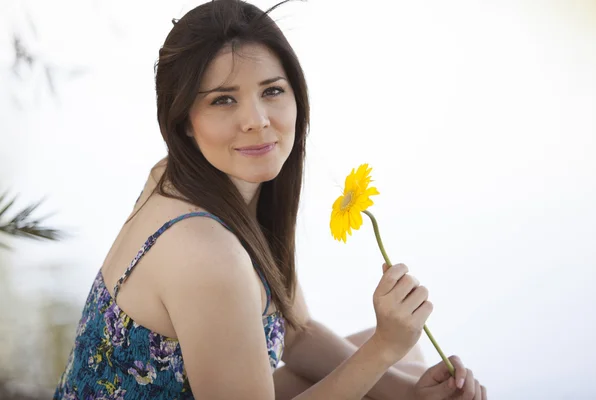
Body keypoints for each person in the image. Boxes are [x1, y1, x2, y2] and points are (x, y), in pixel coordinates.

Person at [53, 0, 487, 399]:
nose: (257, 122)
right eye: (224, 100)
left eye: (272, 91)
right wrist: (383, 348)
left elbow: (295, 333)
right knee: (395, 362)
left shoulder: (208, 180)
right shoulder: (205, 254)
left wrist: (407, 389)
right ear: (184, 120)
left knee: (409, 371)